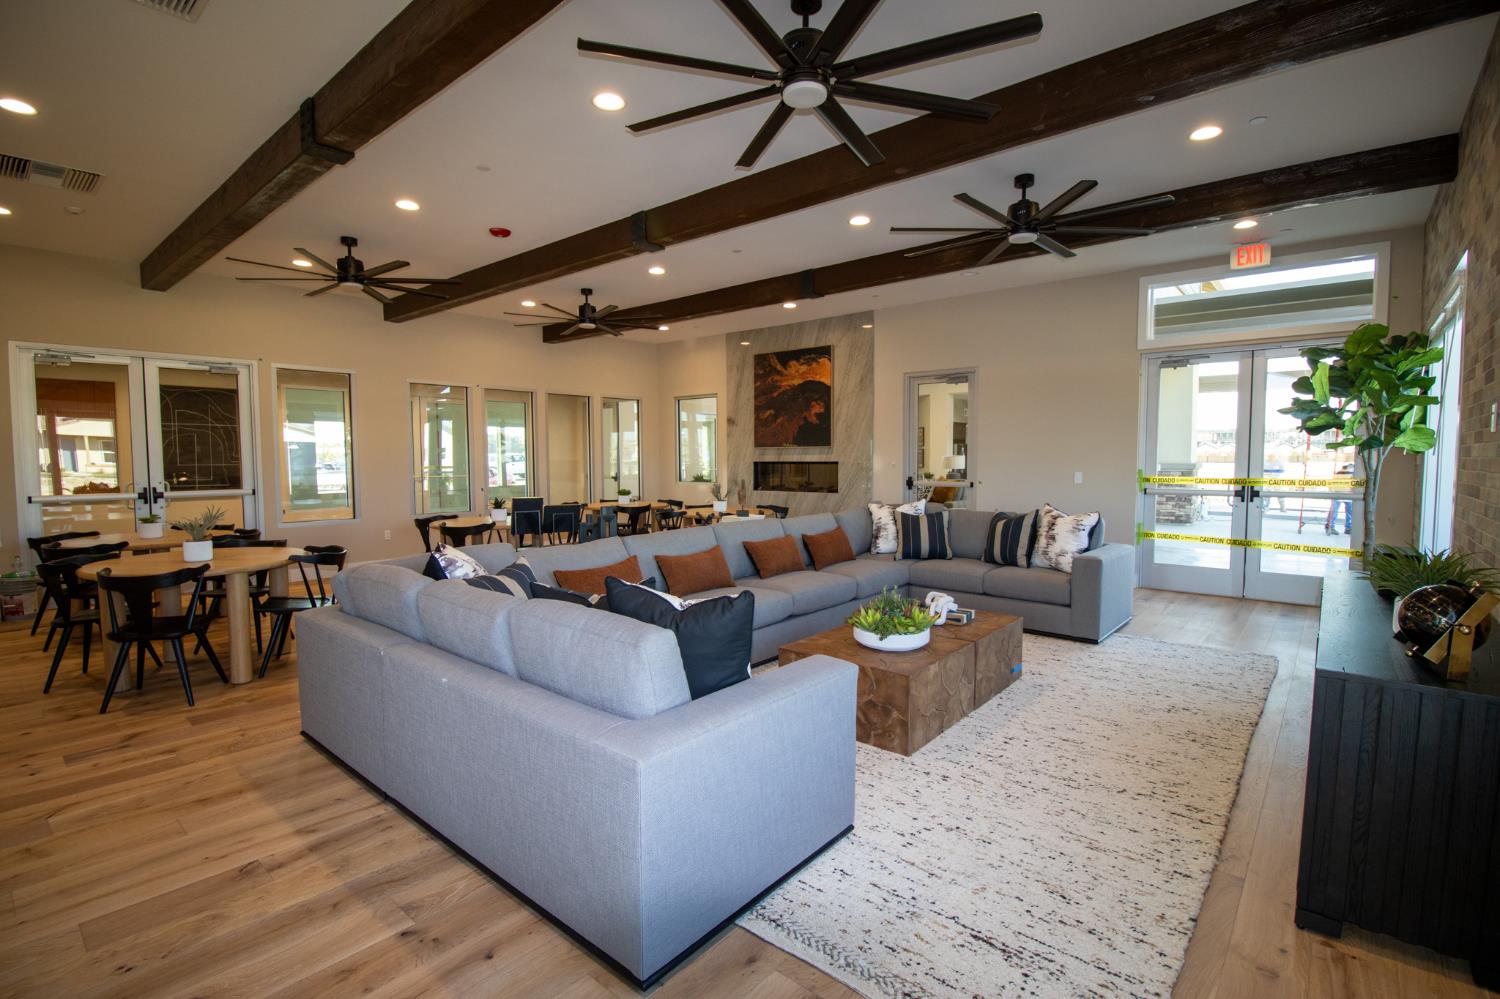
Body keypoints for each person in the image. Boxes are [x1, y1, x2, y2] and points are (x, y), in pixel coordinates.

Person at [1325, 463, 1354, 535]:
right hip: (1349, 494)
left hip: (1337, 493)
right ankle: (1348, 528)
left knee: (1334, 511)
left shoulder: (1338, 473)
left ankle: (1330, 527)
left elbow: (1331, 484)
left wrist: (1331, 492)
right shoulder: (1353, 473)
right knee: (1350, 512)